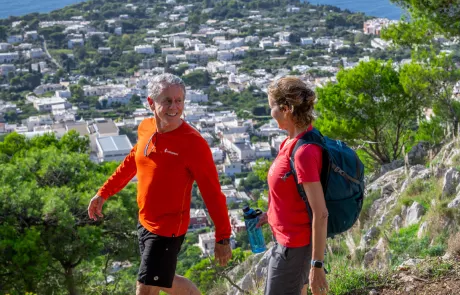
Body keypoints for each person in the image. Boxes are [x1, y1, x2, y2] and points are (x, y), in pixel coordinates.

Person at [87, 73, 232, 295]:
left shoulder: (194, 144)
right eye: (167, 101)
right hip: (145, 221)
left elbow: (212, 193)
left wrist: (223, 236)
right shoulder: (146, 127)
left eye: (179, 100)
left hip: (167, 228)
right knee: (165, 280)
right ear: (151, 103)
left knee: (145, 289)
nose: (174, 107)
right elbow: (132, 162)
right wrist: (103, 193)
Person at [258, 76, 329, 295]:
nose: (271, 113)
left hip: (294, 247)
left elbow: (321, 212)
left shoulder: (304, 152)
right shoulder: (292, 141)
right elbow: (293, 194)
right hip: (287, 242)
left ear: (287, 108)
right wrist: (269, 215)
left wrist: (317, 265)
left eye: (272, 107)